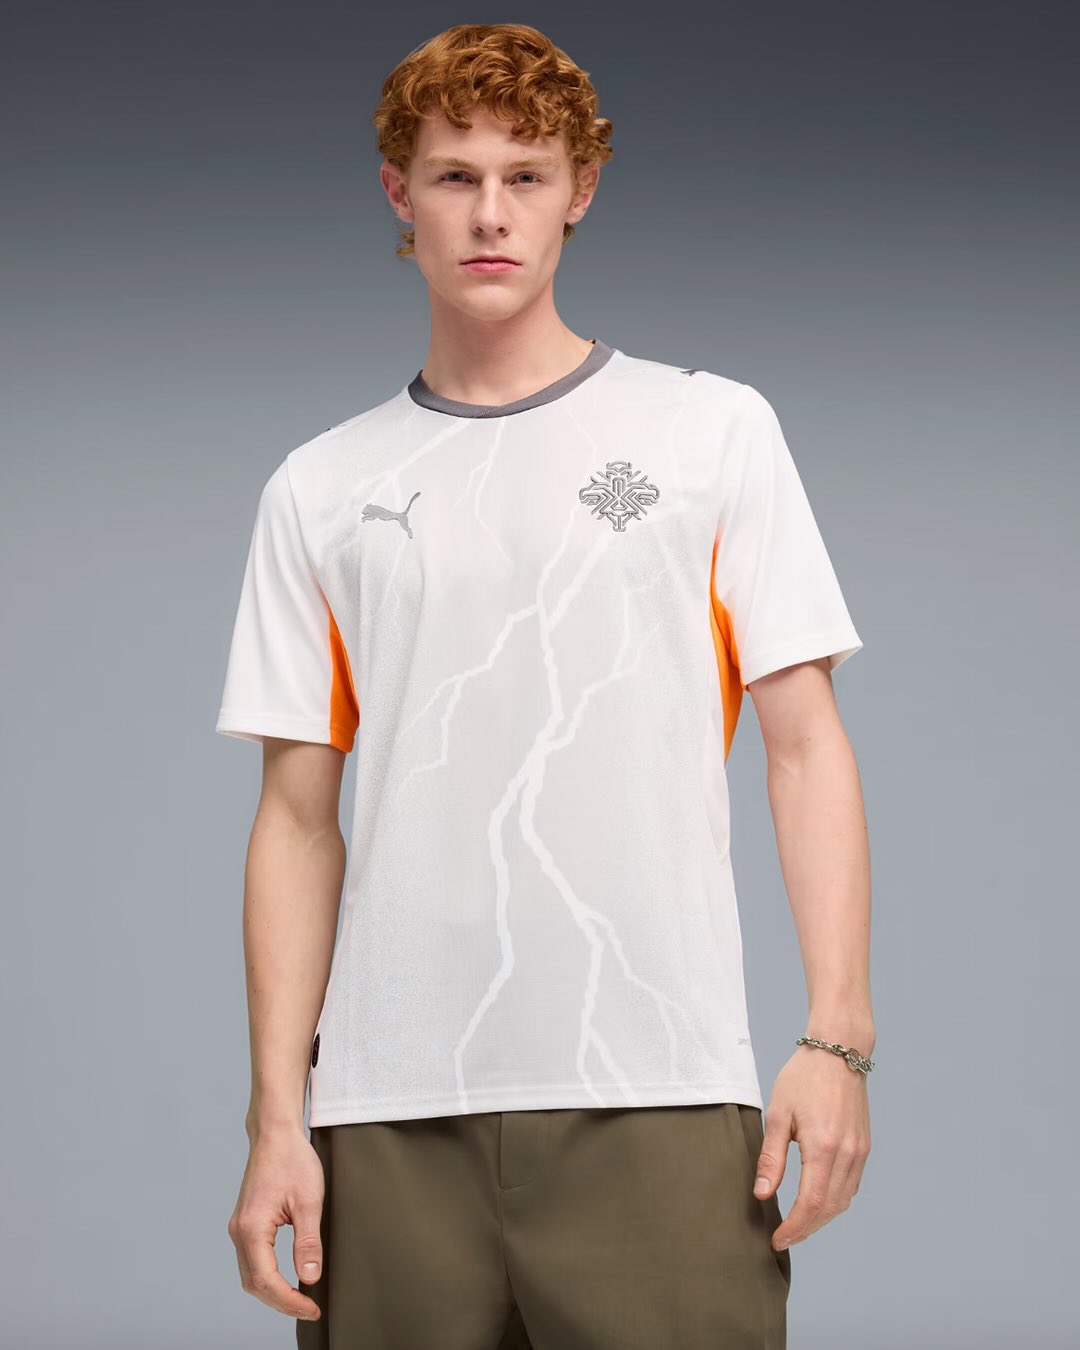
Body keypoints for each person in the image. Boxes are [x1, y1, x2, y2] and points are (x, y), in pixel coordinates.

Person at [215, 21, 874, 1350]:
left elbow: (805, 746)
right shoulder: (321, 487)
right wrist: (278, 1117)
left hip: (659, 1083)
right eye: (454, 177)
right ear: (399, 194)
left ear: (582, 190)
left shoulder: (710, 432)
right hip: (386, 1113)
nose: (491, 214)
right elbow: (294, 817)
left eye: (527, 176)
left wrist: (837, 1038)